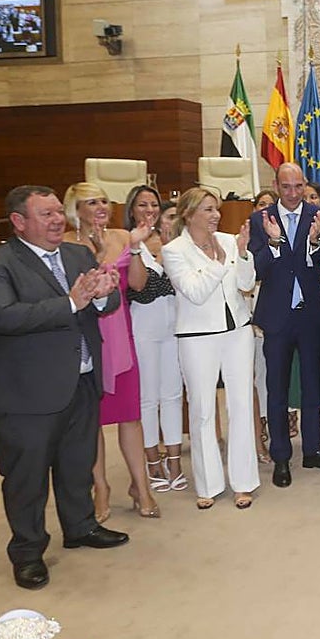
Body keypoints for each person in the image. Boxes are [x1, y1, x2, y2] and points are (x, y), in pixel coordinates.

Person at [0, 185, 128, 590]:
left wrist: (104, 296)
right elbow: (2, 317)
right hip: (25, 393)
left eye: (59, 211)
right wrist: (73, 302)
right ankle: (27, 552)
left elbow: (102, 305)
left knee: (77, 464)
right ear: (19, 222)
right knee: (27, 477)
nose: (58, 220)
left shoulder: (76, 254)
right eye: (46, 214)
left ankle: (80, 527)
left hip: (80, 381)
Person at [62, 182, 157, 521]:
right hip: (87, 335)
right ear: (76, 210)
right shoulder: (65, 245)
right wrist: (99, 255)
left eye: (104, 200)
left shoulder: (122, 235)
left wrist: (133, 249)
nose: (101, 206)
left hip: (121, 332)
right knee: (93, 421)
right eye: (92, 202)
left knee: (130, 415)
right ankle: (100, 488)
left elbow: (137, 284)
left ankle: (141, 487)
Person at [163, 187, 260, 510]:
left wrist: (243, 254)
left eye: (216, 209)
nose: (215, 215)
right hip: (197, 337)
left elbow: (246, 284)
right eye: (207, 210)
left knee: (241, 406)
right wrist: (218, 262)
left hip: (237, 333)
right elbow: (194, 292)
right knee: (203, 410)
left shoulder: (232, 241)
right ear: (189, 215)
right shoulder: (174, 250)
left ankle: (244, 482)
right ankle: (208, 484)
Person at [248, 163, 320, 488]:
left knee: (312, 384)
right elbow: (257, 269)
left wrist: (313, 244)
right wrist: (275, 244)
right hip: (277, 316)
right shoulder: (261, 219)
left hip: (312, 314)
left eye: (297, 186)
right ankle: (281, 456)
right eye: (285, 187)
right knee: (277, 388)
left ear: (304, 185)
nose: (292, 193)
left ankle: (313, 448)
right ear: (276, 185)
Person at [123, 189, 186, 496]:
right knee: (148, 399)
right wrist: (137, 246)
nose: (149, 210)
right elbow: (138, 284)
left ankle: (175, 460)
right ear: (131, 210)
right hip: (143, 329)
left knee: (173, 395)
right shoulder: (127, 242)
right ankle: (151, 461)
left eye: (154, 205)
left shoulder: (173, 243)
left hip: (173, 328)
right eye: (142, 205)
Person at [288, 180, 320, 455]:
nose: (309, 201)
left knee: (318, 379)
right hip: (294, 314)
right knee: (299, 379)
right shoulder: (288, 231)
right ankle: (309, 430)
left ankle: (318, 431)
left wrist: (316, 240)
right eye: (305, 197)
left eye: (314, 197)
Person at [248, 189, 278, 464]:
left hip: (280, 316)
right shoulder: (252, 237)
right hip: (255, 317)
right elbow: (252, 273)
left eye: (271, 205)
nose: (266, 210)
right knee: (257, 379)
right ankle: (260, 429)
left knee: (273, 377)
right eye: (261, 205)